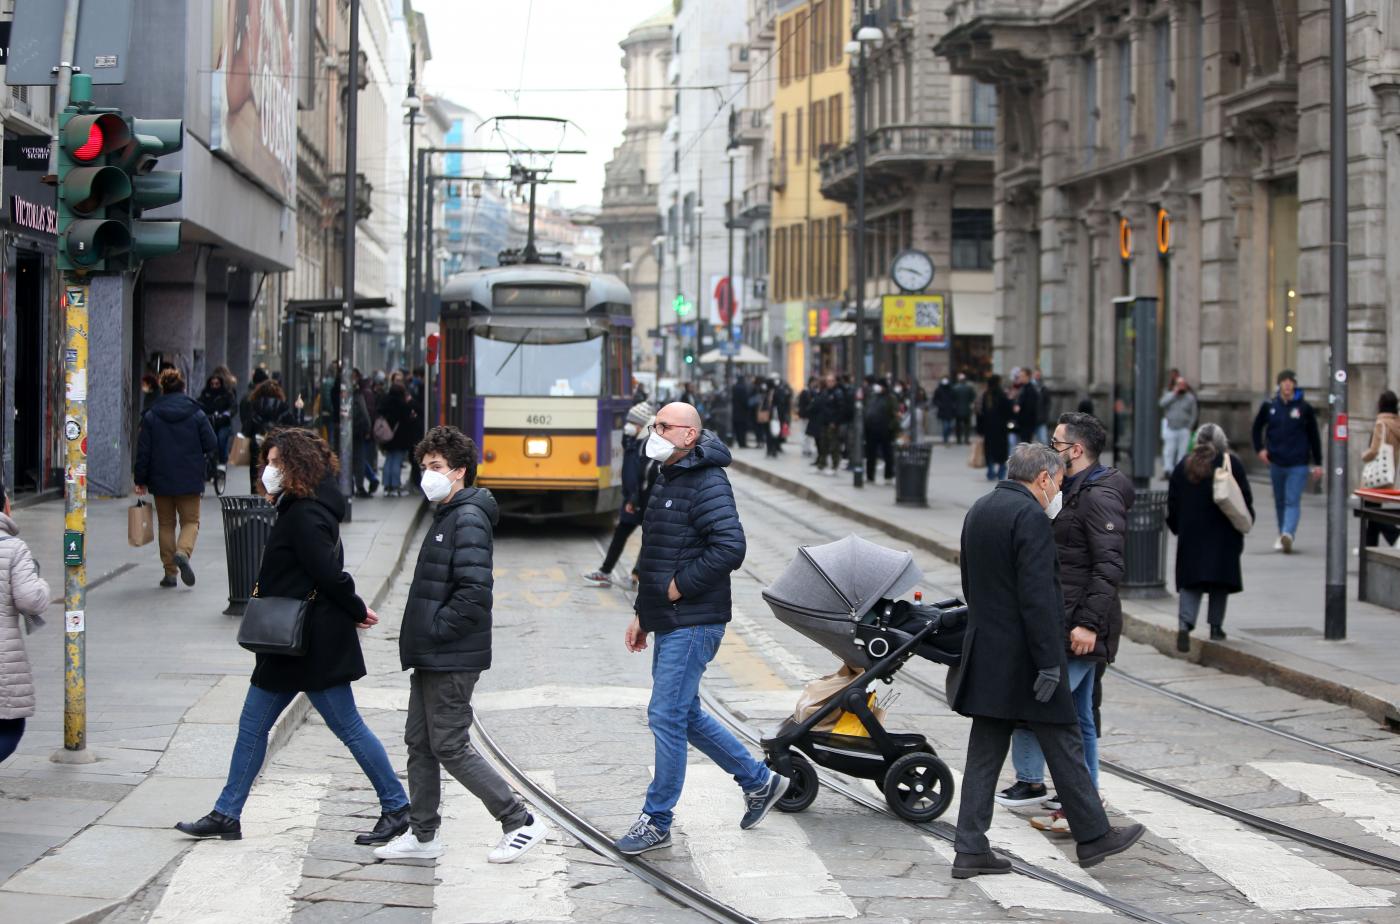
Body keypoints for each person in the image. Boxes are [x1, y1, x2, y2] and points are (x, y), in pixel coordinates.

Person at [176, 429, 410, 844]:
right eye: (267, 462)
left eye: (275, 463)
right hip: (287, 644)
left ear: (296, 466)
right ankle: (226, 813)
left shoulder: (304, 514)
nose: (267, 470)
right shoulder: (300, 508)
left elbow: (328, 574)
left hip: (312, 645)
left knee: (349, 727)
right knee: (252, 727)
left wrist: (356, 609)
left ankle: (396, 807)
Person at [951, 443, 1144, 877]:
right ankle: (1094, 836)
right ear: (1042, 478)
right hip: (1029, 661)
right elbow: (1039, 599)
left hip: (988, 656)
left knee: (985, 753)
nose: (1057, 490)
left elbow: (969, 584)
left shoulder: (979, 510)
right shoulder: (1031, 517)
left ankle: (970, 848)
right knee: (1064, 740)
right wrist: (1049, 662)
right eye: (1056, 482)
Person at [615, 403, 788, 855]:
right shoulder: (668, 475)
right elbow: (657, 552)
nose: (654, 432)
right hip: (671, 617)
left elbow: (730, 547)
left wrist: (677, 589)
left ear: (689, 435)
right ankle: (759, 781)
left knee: (665, 715)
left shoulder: (709, 479)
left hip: (694, 620)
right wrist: (644, 612)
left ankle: (657, 819)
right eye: (654, 425)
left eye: (663, 426)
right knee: (684, 714)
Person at [373, 427, 549, 863]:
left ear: (459, 471)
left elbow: (474, 592)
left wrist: (435, 630)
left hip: (450, 654)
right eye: (424, 466)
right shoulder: (447, 513)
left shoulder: (467, 517)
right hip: (432, 653)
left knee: (449, 744)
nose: (427, 475)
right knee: (419, 741)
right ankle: (423, 834)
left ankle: (519, 821)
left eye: (435, 467)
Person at [999, 414, 1133, 834]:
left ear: (1076, 450)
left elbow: (1109, 565)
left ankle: (1079, 804)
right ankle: (1079, 800)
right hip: (1068, 619)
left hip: (1081, 626)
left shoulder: (1098, 496)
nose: (1050, 448)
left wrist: (1089, 624)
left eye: (1056, 443)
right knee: (1079, 714)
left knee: (1055, 710)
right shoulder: (1070, 489)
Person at [1168, 423, 1254, 651]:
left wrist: (1178, 527)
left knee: (1191, 581)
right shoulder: (1230, 463)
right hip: (1223, 535)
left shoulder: (1183, 465)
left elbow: (1172, 503)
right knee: (1219, 581)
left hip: (1191, 536)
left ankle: (1185, 625)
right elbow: (1245, 498)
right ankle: (1216, 627)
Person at [135, 369, 217, 589]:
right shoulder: (196, 413)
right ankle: (183, 552)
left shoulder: (152, 415)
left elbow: (143, 450)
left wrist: (140, 479)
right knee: (190, 522)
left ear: (163, 389)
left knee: (166, 524)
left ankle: (170, 573)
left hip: (161, 478)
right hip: (190, 478)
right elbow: (211, 443)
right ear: (183, 388)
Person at [584, 403, 659, 587]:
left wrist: (634, 498)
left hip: (643, 498)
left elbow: (643, 473)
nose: (628, 425)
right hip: (634, 497)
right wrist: (628, 437)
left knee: (648, 537)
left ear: (641, 424)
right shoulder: (636, 440)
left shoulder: (647, 443)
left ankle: (635, 576)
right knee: (621, 532)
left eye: (632, 423)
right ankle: (606, 571)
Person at [0, 497, 51, 764]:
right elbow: (30, 600)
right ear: (5, 506)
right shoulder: (13, 548)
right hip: (3, 656)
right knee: (9, 728)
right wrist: (41, 584)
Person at [1250, 370, 1322, 553]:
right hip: (1276, 462)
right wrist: (1260, 449)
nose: (1288, 384)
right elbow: (1257, 428)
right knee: (1280, 500)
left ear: (1295, 385)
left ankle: (1288, 532)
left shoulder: (1304, 408)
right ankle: (1282, 533)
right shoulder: (1270, 406)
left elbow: (1314, 436)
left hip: (1298, 463)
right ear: (1279, 384)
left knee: (1292, 500)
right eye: (1284, 381)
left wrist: (1318, 463)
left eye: (1291, 381)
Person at [243, 378, 303, 494]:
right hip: (277, 446)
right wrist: (299, 410)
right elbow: (294, 427)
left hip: (257, 445)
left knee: (256, 477)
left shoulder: (254, 406)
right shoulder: (282, 406)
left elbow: (247, 428)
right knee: (276, 476)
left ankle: (257, 498)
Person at [1362, 390, 1400, 548]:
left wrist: (1364, 455)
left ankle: (1396, 537)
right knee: (1373, 511)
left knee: (1371, 513)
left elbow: (1374, 450)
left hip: (1375, 473)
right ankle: (1369, 547)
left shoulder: (1381, 424)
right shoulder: (1396, 424)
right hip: (1388, 472)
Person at [377, 381, 417, 496]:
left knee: (388, 460)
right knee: (396, 461)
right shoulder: (403, 404)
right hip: (400, 438)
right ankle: (394, 486)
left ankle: (386, 486)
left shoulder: (384, 401)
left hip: (386, 436)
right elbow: (408, 420)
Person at [976, 375, 1014, 481]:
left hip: (988, 429)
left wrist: (980, 430)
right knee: (1001, 451)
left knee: (989, 451)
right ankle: (1001, 471)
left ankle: (990, 471)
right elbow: (1009, 411)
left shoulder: (985, 395)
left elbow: (980, 413)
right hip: (1001, 429)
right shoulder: (1002, 395)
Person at [1159, 374, 1198, 475]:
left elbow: (1194, 413)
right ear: (1175, 385)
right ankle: (1168, 470)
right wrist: (1174, 394)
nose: (1181, 387)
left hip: (1184, 428)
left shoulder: (1190, 398)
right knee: (1169, 450)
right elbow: (1162, 404)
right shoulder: (1169, 395)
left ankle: (1180, 470)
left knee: (1183, 451)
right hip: (1170, 427)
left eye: (1183, 385)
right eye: (1179, 384)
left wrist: (1190, 426)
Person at [863, 377, 898, 484]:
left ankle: (888, 476)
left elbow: (895, 415)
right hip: (871, 430)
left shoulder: (890, 398)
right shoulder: (872, 396)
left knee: (887, 454)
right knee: (870, 454)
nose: (877, 387)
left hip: (884, 430)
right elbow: (867, 409)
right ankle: (870, 476)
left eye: (879, 385)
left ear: (884, 387)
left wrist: (890, 428)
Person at [198, 373, 236, 465]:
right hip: (209, 422)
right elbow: (200, 403)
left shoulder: (226, 394)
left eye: (217, 384)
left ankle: (222, 462)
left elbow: (233, 407)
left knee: (221, 439)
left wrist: (227, 414)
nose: (214, 386)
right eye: (212, 384)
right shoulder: (206, 394)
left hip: (223, 423)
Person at [1010, 369, 1039, 448]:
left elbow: (1030, 408)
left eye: (1022, 376)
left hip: (1027, 423)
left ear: (1027, 377)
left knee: (1025, 446)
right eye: (1020, 376)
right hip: (1021, 423)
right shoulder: (1022, 388)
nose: (1020, 378)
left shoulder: (1031, 389)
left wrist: (1018, 408)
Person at [953, 373, 977, 445]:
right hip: (967, 409)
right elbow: (973, 397)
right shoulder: (969, 388)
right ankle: (966, 439)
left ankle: (959, 439)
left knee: (958, 425)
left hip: (957, 409)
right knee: (967, 425)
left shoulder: (955, 388)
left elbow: (952, 398)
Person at [797, 377, 819, 457]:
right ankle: (805, 449)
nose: (815, 384)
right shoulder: (805, 391)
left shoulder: (812, 391)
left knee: (808, 434)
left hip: (809, 416)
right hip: (805, 416)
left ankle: (808, 448)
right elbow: (805, 403)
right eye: (814, 382)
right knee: (804, 433)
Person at [933, 378, 957, 445]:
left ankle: (946, 438)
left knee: (949, 425)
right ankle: (945, 438)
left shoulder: (951, 390)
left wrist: (954, 405)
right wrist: (939, 404)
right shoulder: (938, 390)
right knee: (946, 425)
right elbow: (935, 400)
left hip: (950, 410)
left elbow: (955, 399)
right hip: (943, 410)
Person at [730, 375, 751, 449]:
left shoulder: (734, 388)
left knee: (737, 429)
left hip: (735, 411)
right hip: (742, 412)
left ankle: (739, 442)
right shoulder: (743, 388)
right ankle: (743, 443)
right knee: (742, 429)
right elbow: (745, 401)